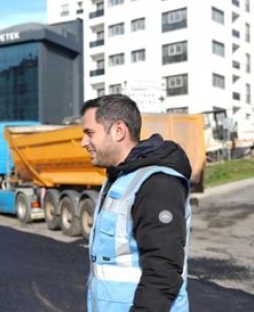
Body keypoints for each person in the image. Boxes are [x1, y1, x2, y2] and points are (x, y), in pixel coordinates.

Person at [80, 94, 192, 312]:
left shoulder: (157, 184)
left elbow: (163, 270)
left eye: (90, 133)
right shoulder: (118, 178)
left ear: (119, 130)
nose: (83, 142)